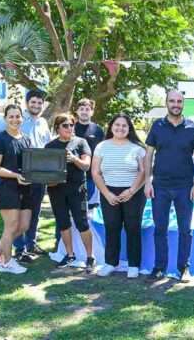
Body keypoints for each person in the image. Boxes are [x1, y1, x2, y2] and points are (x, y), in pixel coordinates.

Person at [0, 89, 51, 262]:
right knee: (14, 220)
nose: (36, 105)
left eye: (39, 103)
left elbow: (48, 145)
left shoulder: (43, 122)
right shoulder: (15, 118)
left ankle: (30, 244)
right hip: (15, 178)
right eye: (33, 102)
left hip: (38, 176)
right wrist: (5, 147)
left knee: (32, 213)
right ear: (27, 104)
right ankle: (18, 250)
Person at [144, 91, 194, 282]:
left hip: (185, 187)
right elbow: (149, 155)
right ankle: (160, 267)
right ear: (166, 103)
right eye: (172, 101)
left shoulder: (192, 128)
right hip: (160, 186)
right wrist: (147, 182)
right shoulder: (157, 126)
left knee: (185, 229)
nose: (176, 104)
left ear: (183, 103)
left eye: (179, 101)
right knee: (160, 228)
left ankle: (184, 267)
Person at [91, 114, 147, 278]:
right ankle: (110, 263)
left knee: (133, 228)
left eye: (124, 126)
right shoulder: (101, 146)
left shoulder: (138, 148)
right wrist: (107, 193)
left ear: (129, 129)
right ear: (111, 127)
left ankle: (134, 265)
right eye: (117, 125)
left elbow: (144, 173)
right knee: (112, 227)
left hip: (133, 193)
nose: (120, 128)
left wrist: (131, 191)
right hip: (109, 192)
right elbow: (95, 172)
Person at [0, 104, 33, 274]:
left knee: (24, 225)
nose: (15, 120)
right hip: (6, 187)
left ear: (22, 119)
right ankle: (7, 262)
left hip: (24, 188)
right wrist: (16, 176)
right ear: (5, 119)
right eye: (11, 116)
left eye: (17, 116)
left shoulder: (26, 139)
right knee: (11, 226)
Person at [45, 113, 95, 273]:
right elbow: (46, 172)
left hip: (77, 190)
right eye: (65, 125)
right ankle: (70, 255)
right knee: (63, 223)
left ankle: (90, 257)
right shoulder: (50, 146)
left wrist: (74, 159)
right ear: (57, 128)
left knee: (82, 223)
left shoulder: (81, 142)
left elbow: (87, 166)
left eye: (71, 125)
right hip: (56, 190)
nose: (69, 128)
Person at [74, 98, 105, 209]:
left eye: (87, 109)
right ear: (77, 111)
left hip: (92, 175)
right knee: (74, 206)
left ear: (91, 112)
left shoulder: (98, 130)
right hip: (73, 175)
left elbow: (103, 152)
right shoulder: (71, 128)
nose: (84, 111)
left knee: (90, 207)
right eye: (81, 109)